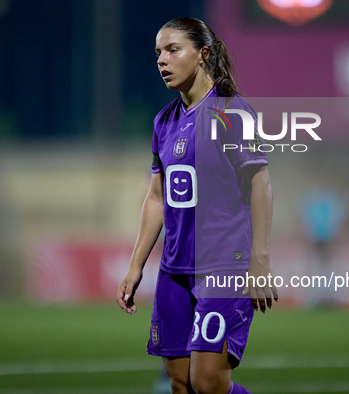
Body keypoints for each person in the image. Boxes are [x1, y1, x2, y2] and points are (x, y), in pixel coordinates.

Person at [116, 17, 277, 394]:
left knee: (207, 383)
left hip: (223, 266)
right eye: (158, 53)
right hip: (174, 271)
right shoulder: (164, 121)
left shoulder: (232, 112)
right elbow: (156, 198)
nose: (162, 60)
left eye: (173, 50)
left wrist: (261, 260)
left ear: (203, 55)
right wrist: (135, 266)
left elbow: (261, 184)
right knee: (180, 384)